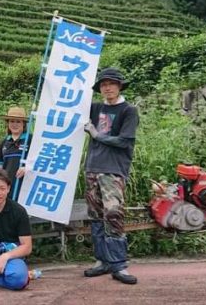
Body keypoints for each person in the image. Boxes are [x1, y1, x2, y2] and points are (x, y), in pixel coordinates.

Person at [83, 67, 140, 285]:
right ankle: (102, 260)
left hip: (113, 170)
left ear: (119, 86)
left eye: (111, 84)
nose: (107, 87)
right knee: (95, 216)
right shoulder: (95, 108)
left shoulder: (128, 111)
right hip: (92, 168)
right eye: (103, 84)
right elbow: (71, 101)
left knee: (113, 214)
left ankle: (119, 265)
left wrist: (96, 134)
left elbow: (124, 141)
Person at [0, 107, 31, 201]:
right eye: (12, 121)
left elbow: (40, 160)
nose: (15, 124)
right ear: (8, 123)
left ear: (24, 124)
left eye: (18, 121)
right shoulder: (4, 142)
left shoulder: (30, 140)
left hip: (25, 186)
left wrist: (27, 167)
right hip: (7, 187)